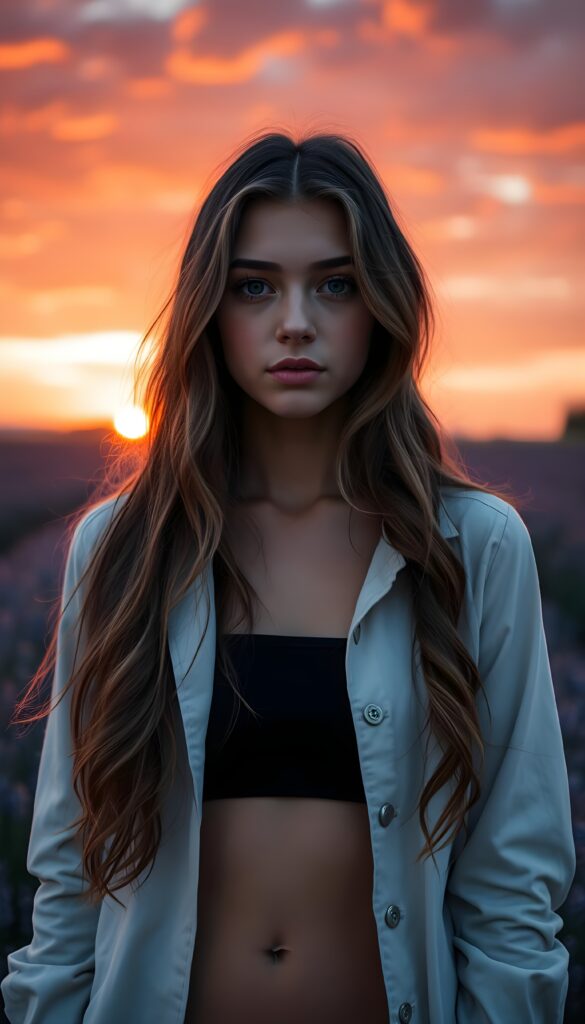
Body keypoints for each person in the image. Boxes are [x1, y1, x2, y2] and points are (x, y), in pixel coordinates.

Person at [1, 130, 576, 1024]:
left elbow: (512, 880)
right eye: (255, 286)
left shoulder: (472, 547)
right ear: (210, 308)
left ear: (380, 305)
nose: (295, 320)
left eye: (335, 284)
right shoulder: (121, 548)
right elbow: (69, 875)